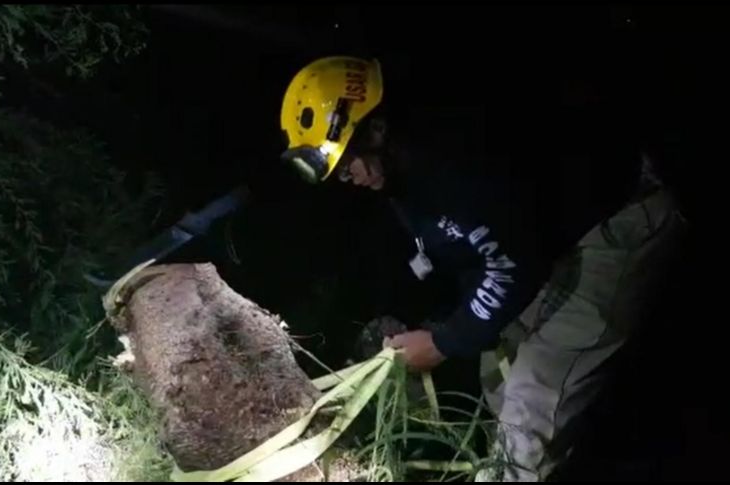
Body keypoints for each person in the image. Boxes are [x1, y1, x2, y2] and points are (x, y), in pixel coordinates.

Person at [279, 56, 686, 481]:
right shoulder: (400, 175)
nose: (350, 177)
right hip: (545, 242)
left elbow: (515, 265)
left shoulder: (454, 161)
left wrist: (441, 341)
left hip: (615, 222)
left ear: (376, 129)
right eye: (340, 173)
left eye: (349, 162)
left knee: (532, 391)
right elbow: (473, 255)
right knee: (498, 370)